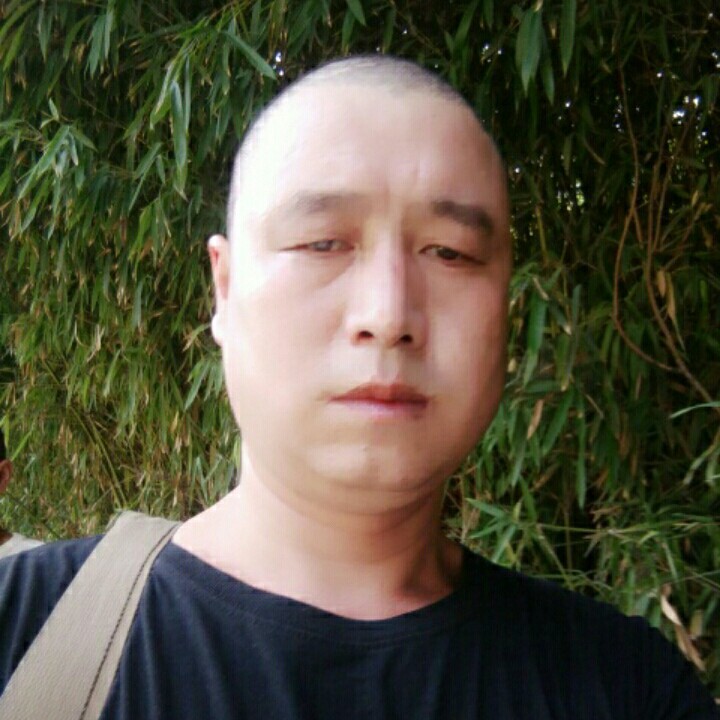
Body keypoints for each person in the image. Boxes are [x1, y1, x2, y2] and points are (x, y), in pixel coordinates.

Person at [0, 56, 716, 719]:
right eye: (322, 243)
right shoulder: (25, 635)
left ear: (507, 304)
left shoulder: (627, 688)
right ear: (224, 287)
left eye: (450, 252)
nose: (388, 314)